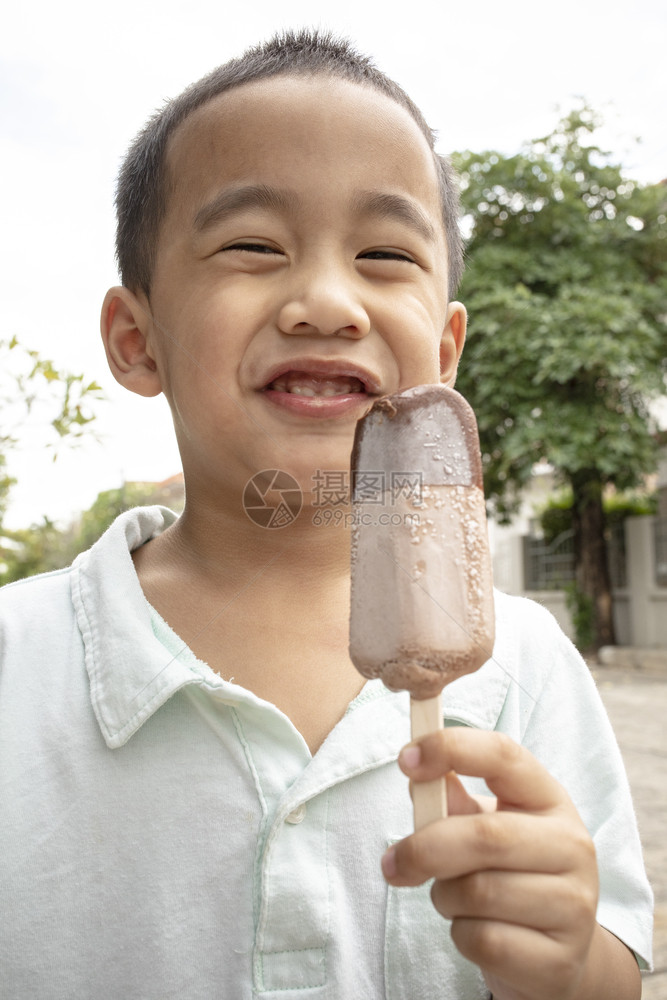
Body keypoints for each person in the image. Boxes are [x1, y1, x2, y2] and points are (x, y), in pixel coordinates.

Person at [0, 29, 652, 1000]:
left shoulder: (521, 662)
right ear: (137, 340)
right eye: (254, 246)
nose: (325, 300)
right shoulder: (20, 659)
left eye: (385, 253)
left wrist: (567, 962)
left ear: (444, 347)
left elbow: (611, 970)